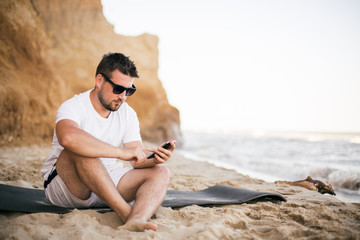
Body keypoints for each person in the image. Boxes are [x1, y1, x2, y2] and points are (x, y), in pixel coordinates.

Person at [41, 52, 176, 232]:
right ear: (99, 81)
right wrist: (120, 153)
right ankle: (127, 214)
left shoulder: (127, 113)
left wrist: (155, 158)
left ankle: (137, 219)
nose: (123, 96)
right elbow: (68, 138)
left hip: (106, 185)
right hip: (69, 187)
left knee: (161, 172)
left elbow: (136, 157)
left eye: (129, 91)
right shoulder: (73, 106)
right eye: (118, 89)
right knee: (81, 149)